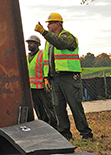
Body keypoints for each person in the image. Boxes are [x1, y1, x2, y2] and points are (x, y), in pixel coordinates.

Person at [35, 12, 93, 141]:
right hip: (55, 79)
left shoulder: (67, 37)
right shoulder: (48, 42)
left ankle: (86, 134)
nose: (48, 26)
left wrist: (44, 32)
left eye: (50, 23)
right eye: (47, 24)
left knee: (75, 105)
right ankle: (65, 134)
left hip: (69, 77)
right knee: (58, 107)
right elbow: (47, 60)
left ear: (58, 24)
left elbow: (60, 43)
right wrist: (46, 77)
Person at [26, 35, 57, 129]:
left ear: (37, 44)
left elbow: (46, 67)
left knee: (49, 107)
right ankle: (44, 127)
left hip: (43, 87)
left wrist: (46, 78)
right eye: (28, 43)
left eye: (31, 43)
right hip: (32, 88)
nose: (29, 45)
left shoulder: (43, 54)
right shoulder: (27, 57)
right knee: (38, 109)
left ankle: (55, 127)